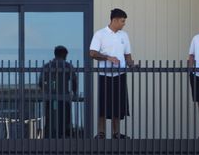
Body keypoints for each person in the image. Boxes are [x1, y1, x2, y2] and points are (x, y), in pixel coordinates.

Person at [88, 9, 135, 138]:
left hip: (120, 74)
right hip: (105, 74)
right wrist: (108, 58)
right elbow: (92, 53)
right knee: (103, 103)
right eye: (122, 21)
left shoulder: (124, 35)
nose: (124, 24)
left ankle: (116, 133)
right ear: (114, 20)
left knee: (118, 104)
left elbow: (127, 54)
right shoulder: (100, 34)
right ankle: (101, 133)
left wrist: (131, 64)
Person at [37, 45, 78, 139]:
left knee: (50, 118)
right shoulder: (68, 66)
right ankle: (63, 136)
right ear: (64, 54)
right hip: (64, 98)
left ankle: (50, 137)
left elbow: (41, 82)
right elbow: (74, 81)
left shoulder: (47, 66)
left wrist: (46, 91)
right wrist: (74, 93)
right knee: (65, 119)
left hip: (50, 98)